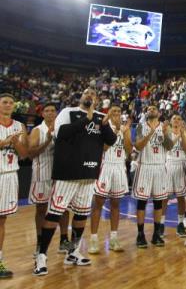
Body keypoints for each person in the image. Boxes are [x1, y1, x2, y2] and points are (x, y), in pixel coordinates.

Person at [34, 88, 117, 276]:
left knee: (81, 215)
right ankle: (41, 256)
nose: (90, 95)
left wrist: (104, 125)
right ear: (81, 96)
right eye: (86, 92)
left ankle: (73, 252)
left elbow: (111, 140)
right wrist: (87, 119)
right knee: (54, 214)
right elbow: (61, 134)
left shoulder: (100, 117)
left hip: (89, 173)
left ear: (97, 99)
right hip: (67, 172)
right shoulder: (67, 112)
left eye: (93, 94)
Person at [89, 105, 133, 254]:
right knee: (98, 203)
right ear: (108, 114)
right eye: (113, 111)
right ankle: (93, 239)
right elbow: (104, 148)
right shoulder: (104, 126)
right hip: (105, 166)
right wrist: (113, 132)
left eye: (119, 111)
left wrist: (125, 133)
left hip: (120, 166)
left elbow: (129, 150)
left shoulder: (124, 129)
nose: (117, 114)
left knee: (116, 203)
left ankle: (114, 238)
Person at [27, 103, 70, 256]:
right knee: (41, 209)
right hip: (42, 175)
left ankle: (64, 240)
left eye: (53, 111)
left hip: (59, 175)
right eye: (47, 111)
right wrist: (47, 140)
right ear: (42, 114)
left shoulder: (63, 128)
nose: (51, 113)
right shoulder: (37, 130)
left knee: (63, 208)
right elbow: (30, 154)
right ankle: (40, 243)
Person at [132, 105, 173, 248]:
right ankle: (140, 234)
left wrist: (164, 133)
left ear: (159, 112)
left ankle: (156, 234)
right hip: (145, 165)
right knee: (142, 202)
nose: (151, 110)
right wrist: (151, 133)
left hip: (160, 167)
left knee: (158, 202)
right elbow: (137, 146)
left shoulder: (165, 127)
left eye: (154, 108)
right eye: (149, 109)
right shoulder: (140, 127)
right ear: (146, 113)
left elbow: (169, 146)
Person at [0, 93, 28, 279]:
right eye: (4, 102)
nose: (8, 105)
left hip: (9, 175)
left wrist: (16, 142)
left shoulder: (20, 127)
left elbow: (25, 154)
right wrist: (3, 143)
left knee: (1, 221)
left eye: (11, 102)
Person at [163, 114, 186, 238]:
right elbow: (167, 147)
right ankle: (160, 225)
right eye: (174, 118)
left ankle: (180, 224)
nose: (176, 120)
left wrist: (182, 135)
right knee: (164, 197)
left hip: (181, 164)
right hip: (168, 164)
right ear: (170, 121)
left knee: (181, 197)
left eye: (179, 119)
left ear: (182, 122)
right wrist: (177, 136)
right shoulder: (165, 132)